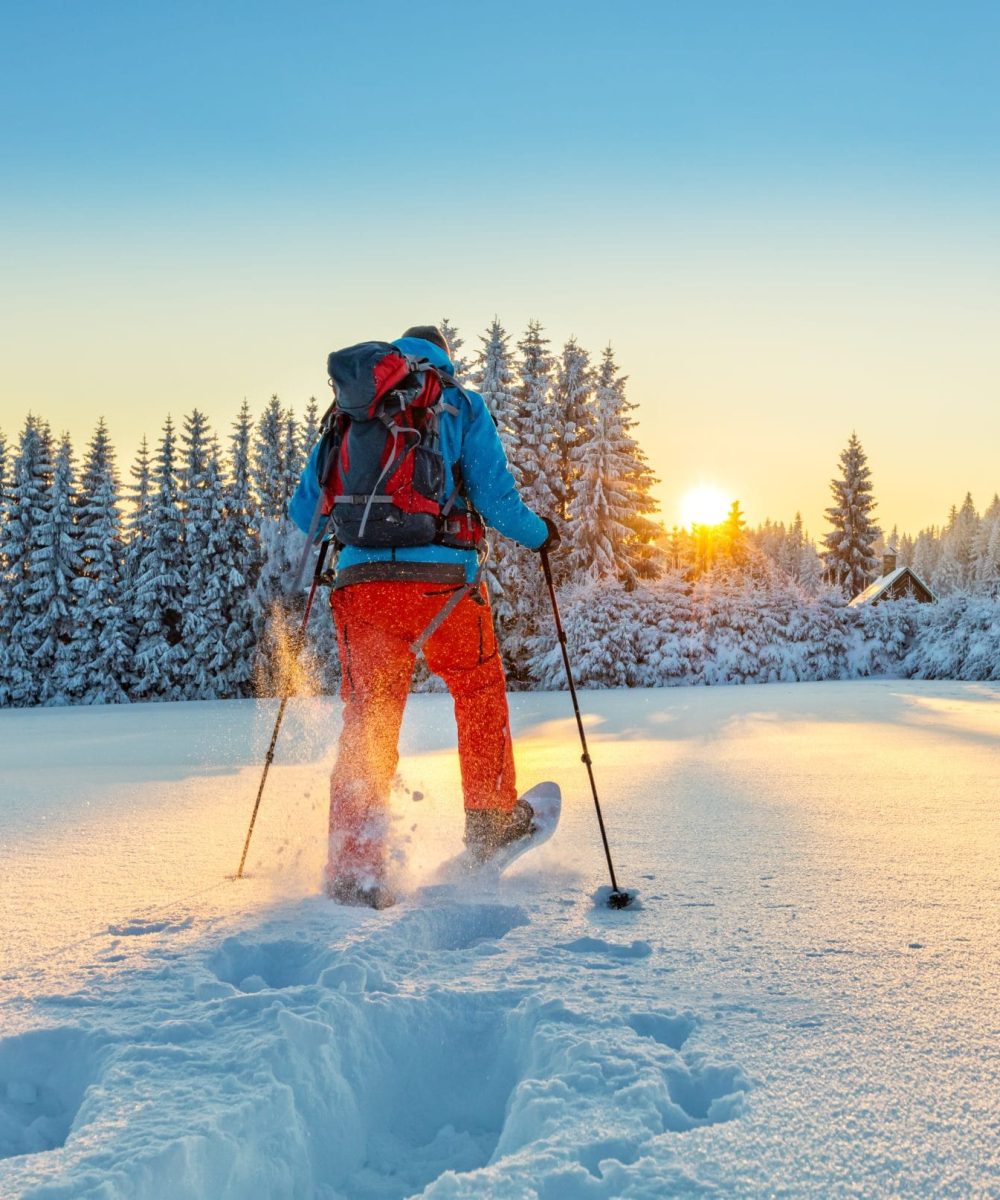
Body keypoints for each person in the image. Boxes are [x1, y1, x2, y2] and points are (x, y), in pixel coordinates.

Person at [289, 325, 559, 908]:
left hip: (362, 589)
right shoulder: (458, 402)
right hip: (444, 588)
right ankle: (490, 821)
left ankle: (355, 868)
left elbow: (304, 510)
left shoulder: (350, 411)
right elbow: (495, 499)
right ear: (444, 359)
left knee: (369, 719)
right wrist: (541, 536)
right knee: (477, 687)